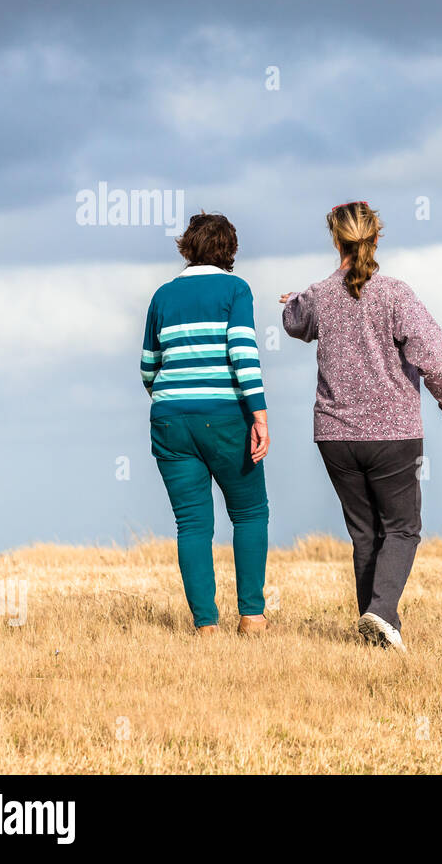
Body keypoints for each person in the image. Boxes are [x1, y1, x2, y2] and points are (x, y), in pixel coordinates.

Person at [281, 200, 442, 652]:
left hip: (336, 436)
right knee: (402, 529)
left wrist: (300, 298)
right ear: (376, 238)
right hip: (393, 435)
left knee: (365, 534)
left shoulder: (321, 296)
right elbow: (432, 352)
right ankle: (381, 613)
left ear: (336, 240)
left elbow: (293, 321)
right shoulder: (396, 294)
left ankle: (377, 633)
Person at [141, 212, 271, 636]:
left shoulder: (162, 296)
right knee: (250, 512)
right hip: (226, 417)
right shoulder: (236, 289)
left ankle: (205, 626)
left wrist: (174, 402)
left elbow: (148, 368)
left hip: (170, 419)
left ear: (187, 247)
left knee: (192, 523)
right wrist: (259, 413)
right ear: (230, 251)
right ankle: (251, 616)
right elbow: (243, 353)